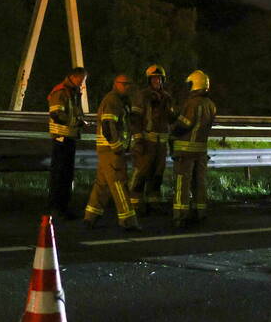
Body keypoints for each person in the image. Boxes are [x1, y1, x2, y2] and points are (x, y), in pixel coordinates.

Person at [83, 74, 141, 230]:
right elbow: (108, 125)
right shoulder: (113, 100)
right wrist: (117, 146)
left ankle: (90, 217)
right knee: (119, 183)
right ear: (116, 84)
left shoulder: (120, 101)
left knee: (102, 185)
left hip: (107, 150)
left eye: (130, 84)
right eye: (125, 84)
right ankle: (128, 221)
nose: (128, 87)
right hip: (111, 150)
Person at [170, 70, 217, 227]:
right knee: (199, 183)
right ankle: (200, 212)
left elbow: (184, 124)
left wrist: (172, 131)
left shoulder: (192, 103)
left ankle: (180, 216)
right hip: (201, 151)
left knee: (182, 184)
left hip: (185, 151)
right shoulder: (211, 105)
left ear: (194, 84)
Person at [128, 64, 176, 215]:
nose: (157, 81)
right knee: (141, 173)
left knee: (157, 174)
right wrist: (138, 140)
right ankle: (135, 204)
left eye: (159, 78)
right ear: (149, 80)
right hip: (147, 142)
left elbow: (171, 120)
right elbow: (135, 119)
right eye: (154, 78)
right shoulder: (142, 96)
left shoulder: (167, 97)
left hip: (161, 144)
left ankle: (153, 203)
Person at [46, 67, 87, 220]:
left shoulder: (72, 92)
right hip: (61, 138)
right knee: (59, 174)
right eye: (80, 80)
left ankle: (63, 207)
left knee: (67, 175)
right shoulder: (60, 91)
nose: (81, 84)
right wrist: (76, 122)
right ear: (73, 77)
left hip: (69, 137)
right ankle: (56, 208)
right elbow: (56, 114)